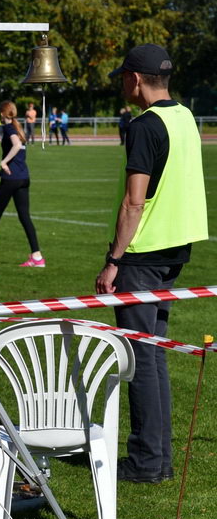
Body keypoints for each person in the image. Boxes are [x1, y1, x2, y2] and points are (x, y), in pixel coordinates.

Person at [95, 44, 208, 483]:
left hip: (143, 254)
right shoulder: (185, 117)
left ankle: (145, 462)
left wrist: (113, 261)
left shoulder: (145, 125)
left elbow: (133, 201)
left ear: (135, 79)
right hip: (176, 249)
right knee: (154, 354)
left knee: (141, 357)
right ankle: (156, 459)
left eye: (124, 76)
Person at [0, 100, 44, 267]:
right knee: (25, 217)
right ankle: (37, 257)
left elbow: (16, 146)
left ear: (2, 114)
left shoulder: (10, 128)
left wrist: (3, 162)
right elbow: (17, 157)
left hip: (12, 179)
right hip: (23, 178)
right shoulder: (18, 128)